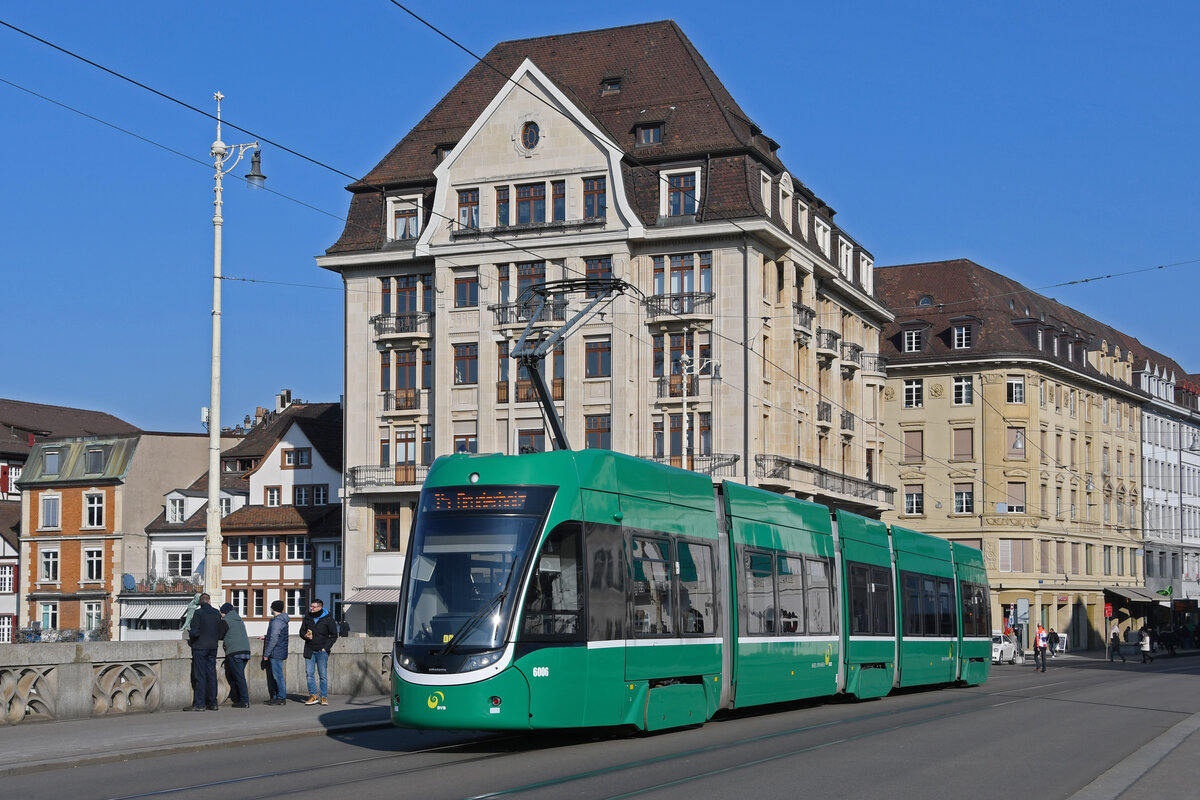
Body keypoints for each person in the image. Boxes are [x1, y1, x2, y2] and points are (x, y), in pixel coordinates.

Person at [299, 598, 339, 706]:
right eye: (311, 606)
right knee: (309, 673)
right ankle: (313, 696)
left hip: (322, 651)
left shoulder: (328, 619)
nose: (311, 608)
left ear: (320, 607)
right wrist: (305, 636)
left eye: (313, 607)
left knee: (323, 675)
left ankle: (324, 696)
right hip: (309, 649)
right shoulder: (308, 617)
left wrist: (325, 648)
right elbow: (301, 631)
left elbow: (334, 635)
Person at [185, 593, 222, 711]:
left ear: (200, 602)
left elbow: (194, 632)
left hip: (200, 647)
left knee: (200, 675)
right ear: (209, 601)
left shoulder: (198, 613)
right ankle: (213, 702)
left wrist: (191, 635)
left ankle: (200, 704)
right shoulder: (217, 613)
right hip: (213, 647)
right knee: (211, 674)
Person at [219, 602, 251, 708]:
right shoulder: (239, 620)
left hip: (235, 651)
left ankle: (244, 700)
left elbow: (220, 635)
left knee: (238, 676)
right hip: (246, 651)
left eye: (221, 613)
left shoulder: (226, 620)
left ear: (225, 612)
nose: (221, 615)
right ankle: (237, 698)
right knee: (238, 675)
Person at [262, 600, 290, 705]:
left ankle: (281, 698)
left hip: (276, 652)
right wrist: (265, 637)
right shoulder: (282, 620)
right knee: (276, 675)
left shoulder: (277, 622)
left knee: (278, 676)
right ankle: (276, 697)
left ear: (273, 608)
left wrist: (266, 654)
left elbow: (274, 638)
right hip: (280, 650)